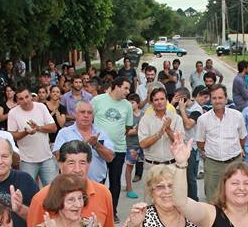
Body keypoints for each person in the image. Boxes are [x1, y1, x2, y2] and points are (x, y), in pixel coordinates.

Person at [197, 85, 247, 202]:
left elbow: (243, 138)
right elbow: (200, 143)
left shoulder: (237, 116)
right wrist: (213, 151)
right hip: (212, 164)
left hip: (234, 162)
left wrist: (234, 149)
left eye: (220, 97)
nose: (217, 101)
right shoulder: (203, 119)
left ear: (226, 98)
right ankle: (214, 220)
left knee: (235, 196)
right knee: (212, 198)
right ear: (210, 99)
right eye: (214, 98)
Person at [92, 77, 134, 216]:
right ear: (116, 86)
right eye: (126, 88)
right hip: (99, 148)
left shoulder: (127, 105)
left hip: (119, 149)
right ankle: (97, 211)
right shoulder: (98, 100)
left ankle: (112, 212)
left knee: (115, 182)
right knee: (99, 181)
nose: (128, 91)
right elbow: (88, 119)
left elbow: (128, 127)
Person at [53, 100, 115, 184]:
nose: (86, 115)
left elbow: (110, 158)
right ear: (75, 114)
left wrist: (96, 145)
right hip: (71, 185)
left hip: (97, 184)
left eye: (89, 113)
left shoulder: (101, 133)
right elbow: (58, 157)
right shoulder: (64, 133)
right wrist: (82, 144)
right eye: (82, 112)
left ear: (93, 116)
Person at [7, 86, 58, 187]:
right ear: (16, 100)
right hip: (27, 161)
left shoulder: (41, 107)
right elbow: (12, 136)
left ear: (31, 96)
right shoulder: (13, 113)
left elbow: (53, 128)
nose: (25, 101)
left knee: (53, 190)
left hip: (46, 158)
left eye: (27, 97)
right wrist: (25, 132)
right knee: (28, 192)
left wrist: (38, 128)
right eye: (21, 99)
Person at [137, 88, 183, 176]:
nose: (159, 102)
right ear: (151, 103)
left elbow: (180, 143)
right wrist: (160, 133)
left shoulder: (176, 118)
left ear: (167, 100)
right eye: (156, 100)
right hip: (151, 167)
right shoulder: (145, 120)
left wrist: (168, 129)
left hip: (171, 166)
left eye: (162, 99)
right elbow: (142, 144)